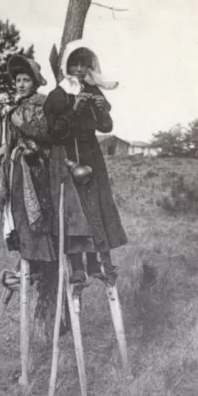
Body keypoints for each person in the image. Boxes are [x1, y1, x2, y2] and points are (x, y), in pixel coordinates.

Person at [43, 40, 128, 288]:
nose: (79, 69)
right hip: (68, 158)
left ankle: (97, 263)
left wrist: (102, 110)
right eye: (75, 64)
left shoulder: (93, 90)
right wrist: (74, 109)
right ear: (67, 66)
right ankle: (78, 267)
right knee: (74, 212)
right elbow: (54, 132)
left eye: (84, 64)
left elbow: (106, 127)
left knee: (97, 207)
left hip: (92, 156)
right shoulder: (58, 95)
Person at [0, 55, 56, 287]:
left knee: (34, 213)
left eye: (26, 80)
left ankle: (38, 265)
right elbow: (13, 138)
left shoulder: (41, 104)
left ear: (35, 82)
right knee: (19, 213)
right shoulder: (16, 106)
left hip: (35, 167)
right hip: (17, 167)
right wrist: (7, 146)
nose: (21, 84)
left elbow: (47, 135)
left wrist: (23, 126)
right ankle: (27, 263)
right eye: (18, 80)